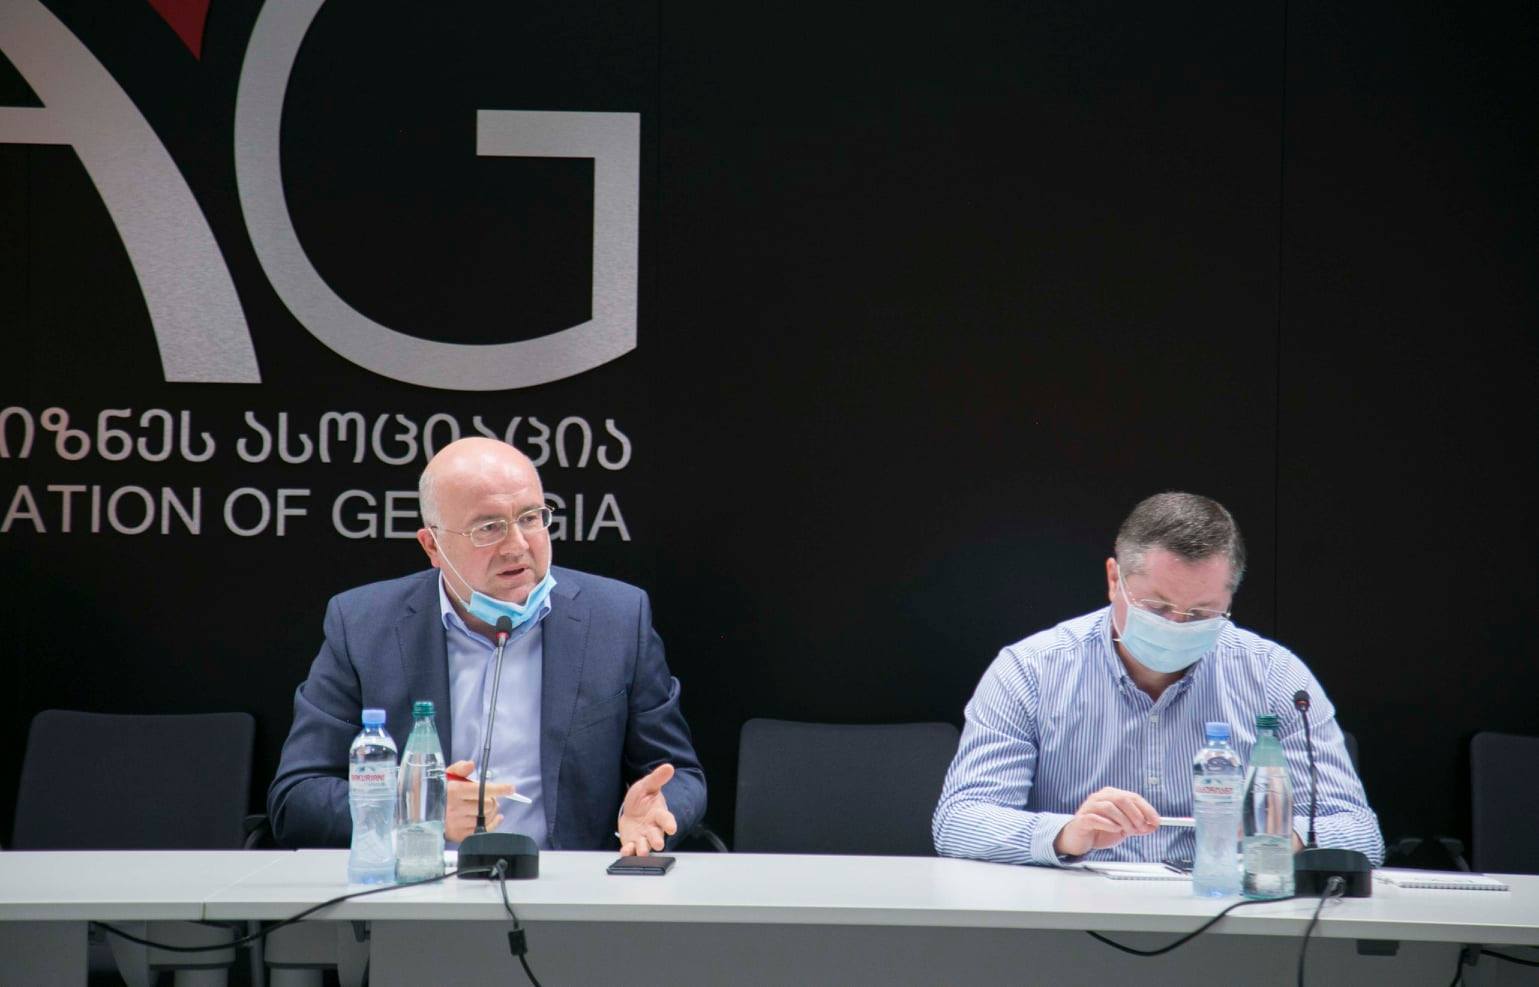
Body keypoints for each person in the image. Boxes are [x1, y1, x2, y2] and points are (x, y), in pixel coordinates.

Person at [268, 437, 704, 856]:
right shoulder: (362, 625)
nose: (517, 545)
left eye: (530, 518)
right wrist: (416, 809)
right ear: (432, 545)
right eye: (488, 527)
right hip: (418, 887)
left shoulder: (617, 619)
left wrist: (654, 813)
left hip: (569, 889)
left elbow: (678, 773)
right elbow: (298, 796)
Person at [932, 492, 1383, 867]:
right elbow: (959, 821)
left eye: (1202, 612)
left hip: (1229, 913)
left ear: (1230, 599)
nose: (1178, 624)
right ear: (1114, 579)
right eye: (1157, 607)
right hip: (1073, 918)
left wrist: (1277, 835)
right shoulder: (1031, 670)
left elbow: (1359, 832)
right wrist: (1067, 833)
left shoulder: (1275, 676)